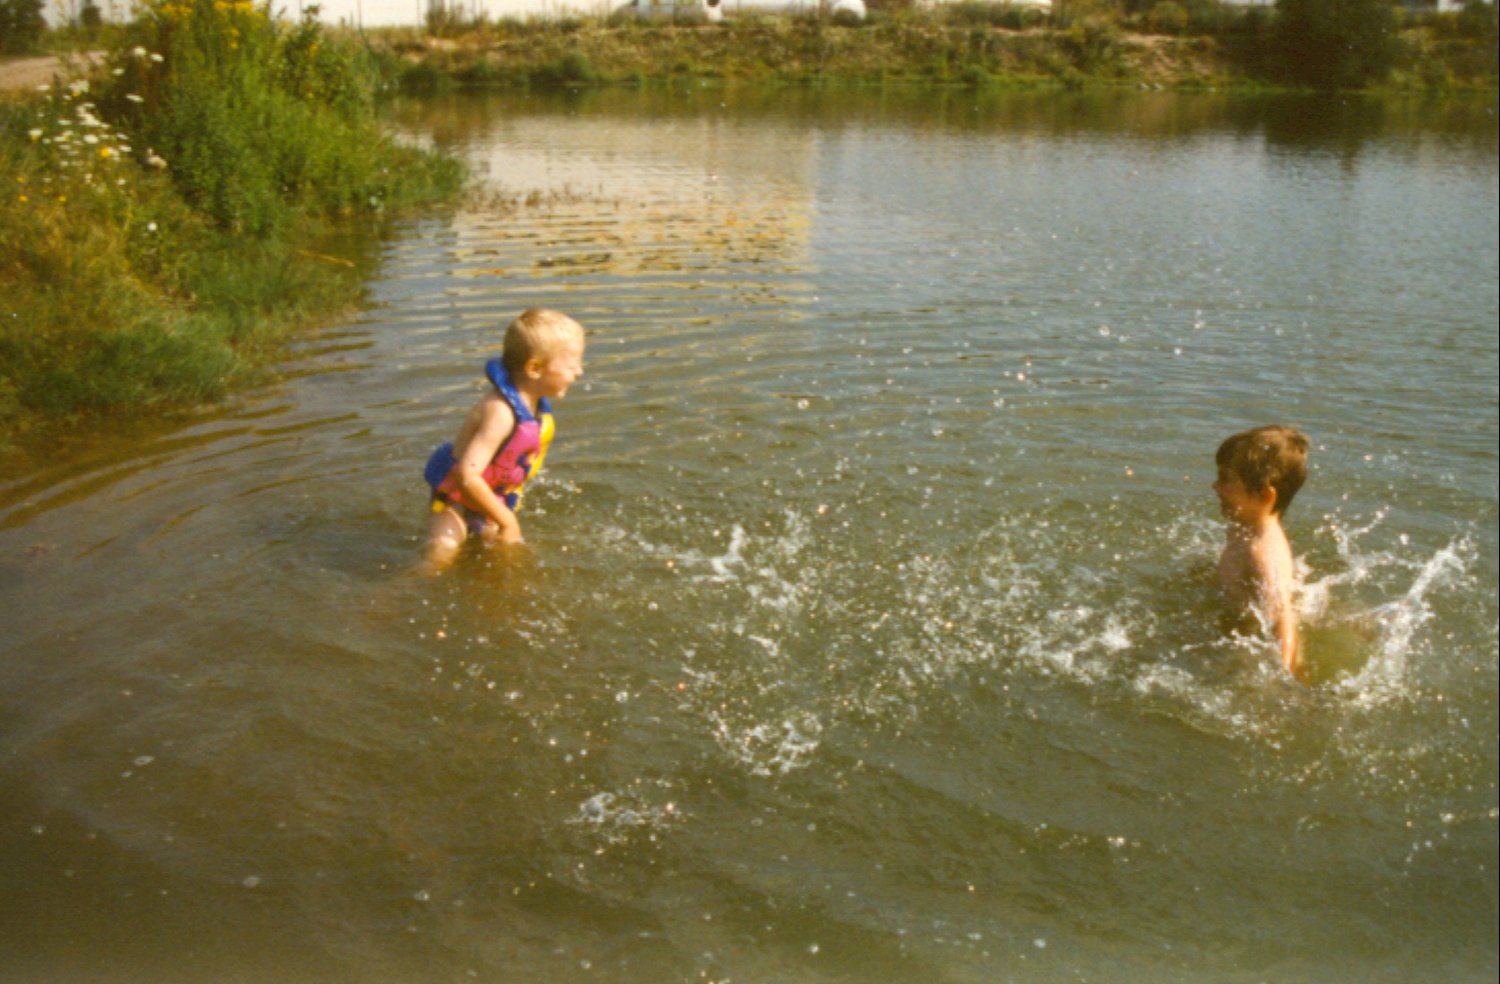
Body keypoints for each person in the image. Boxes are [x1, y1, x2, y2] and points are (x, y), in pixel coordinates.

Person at [420, 308, 585, 571]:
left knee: (505, 561)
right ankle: (390, 599)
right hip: (455, 502)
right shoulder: (501, 413)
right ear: (534, 368)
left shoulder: (533, 409)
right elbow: (467, 476)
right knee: (440, 556)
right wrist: (508, 521)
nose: (579, 371)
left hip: (489, 502)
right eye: (571, 364)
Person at [1212, 425, 1310, 682]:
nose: (1215, 486)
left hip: (1249, 632)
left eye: (1226, 480)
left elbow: (1282, 617)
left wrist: (1285, 675)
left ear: (1264, 494)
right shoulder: (1243, 527)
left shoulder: (1261, 552)